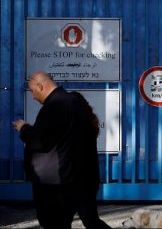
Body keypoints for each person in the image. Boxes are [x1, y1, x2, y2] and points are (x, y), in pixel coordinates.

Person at [13, 71, 110, 229]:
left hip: (58, 184)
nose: (33, 96)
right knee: (92, 221)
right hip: (82, 178)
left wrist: (23, 128)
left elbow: (40, 141)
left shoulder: (55, 105)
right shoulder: (75, 102)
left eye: (32, 91)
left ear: (40, 86)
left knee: (54, 224)